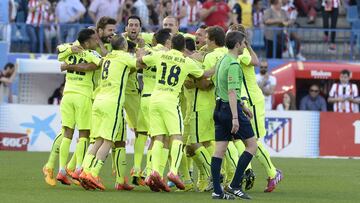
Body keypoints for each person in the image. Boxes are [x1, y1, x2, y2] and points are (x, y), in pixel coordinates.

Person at [138, 34, 212, 192]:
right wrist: (217, 67)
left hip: (155, 99)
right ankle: (173, 171)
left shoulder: (160, 55)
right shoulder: (187, 61)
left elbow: (142, 61)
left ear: (171, 45)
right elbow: (204, 75)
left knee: (158, 137)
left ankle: (155, 171)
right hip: (170, 101)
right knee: (176, 137)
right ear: (183, 47)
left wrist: (140, 53)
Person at [80, 34, 138, 191]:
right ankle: (94, 172)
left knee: (98, 139)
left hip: (98, 101)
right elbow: (138, 64)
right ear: (124, 46)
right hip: (112, 103)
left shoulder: (107, 58)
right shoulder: (124, 57)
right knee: (108, 141)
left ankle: (85, 171)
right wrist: (143, 55)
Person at [230, 24, 283, 193]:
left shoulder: (242, 52)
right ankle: (247, 171)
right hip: (243, 99)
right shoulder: (238, 51)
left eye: (230, 34)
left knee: (252, 140)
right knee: (239, 139)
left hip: (252, 100)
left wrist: (248, 46)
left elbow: (255, 62)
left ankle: (272, 172)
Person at [211, 30, 257, 200]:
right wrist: (236, 116)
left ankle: (217, 191)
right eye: (244, 43)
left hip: (219, 107)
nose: (245, 46)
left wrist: (243, 106)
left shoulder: (223, 59)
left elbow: (222, 88)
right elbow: (231, 91)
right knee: (252, 145)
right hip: (230, 110)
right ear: (237, 44)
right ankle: (234, 185)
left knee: (219, 150)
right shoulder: (233, 65)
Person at [55, 28, 102, 186]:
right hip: (83, 96)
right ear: (87, 42)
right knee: (84, 134)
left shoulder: (70, 49)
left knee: (67, 133)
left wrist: (68, 63)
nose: (97, 41)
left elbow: (60, 52)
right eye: (95, 39)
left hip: (67, 95)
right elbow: (98, 63)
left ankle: (62, 170)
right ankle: (79, 168)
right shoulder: (90, 53)